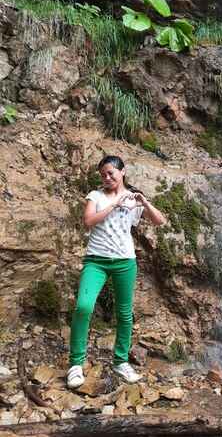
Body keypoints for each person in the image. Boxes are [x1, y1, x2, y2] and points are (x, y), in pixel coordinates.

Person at [67, 155, 167, 389]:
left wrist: (144, 202)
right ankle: (75, 365)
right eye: (103, 174)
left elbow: (159, 221)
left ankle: (120, 361)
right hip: (96, 261)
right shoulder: (96, 196)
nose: (107, 177)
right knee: (83, 307)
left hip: (125, 262)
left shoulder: (133, 199)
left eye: (111, 173)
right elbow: (88, 221)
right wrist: (114, 205)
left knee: (124, 314)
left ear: (123, 172)